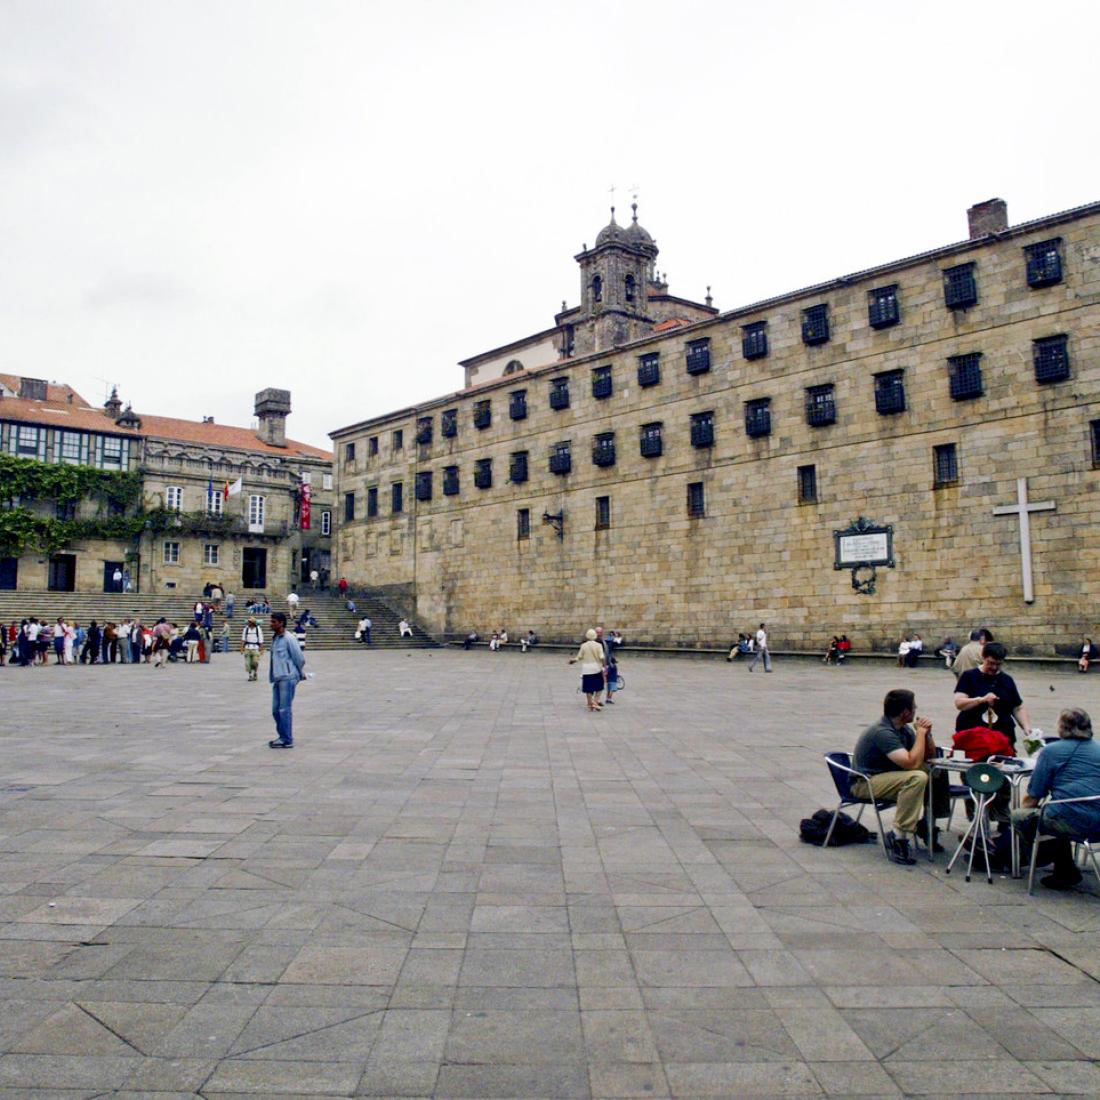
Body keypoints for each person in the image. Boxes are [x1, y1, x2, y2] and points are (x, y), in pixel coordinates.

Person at [852, 688, 952, 865]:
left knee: (936, 770)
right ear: (906, 712)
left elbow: (929, 757)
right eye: (914, 707)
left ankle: (927, 824)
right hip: (865, 783)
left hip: (889, 777)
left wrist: (927, 735)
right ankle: (899, 837)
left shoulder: (903, 729)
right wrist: (920, 733)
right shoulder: (883, 732)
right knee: (917, 777)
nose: (916, 709)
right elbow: (911, 763)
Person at [1012, 707, 1100, 890]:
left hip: (1071, 819)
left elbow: (1034, 795)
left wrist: (1026, 809)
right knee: (1057, 811)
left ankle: (1047, 860)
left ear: (1063, 727)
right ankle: (1062, 866)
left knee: (1021, 816)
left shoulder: (1052, 751)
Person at [954, 641, 1033, 747]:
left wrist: (1027, 728)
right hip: (972, 734)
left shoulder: (1007, 680)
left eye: (998, 664)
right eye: (990, 663)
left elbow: (1017, 707)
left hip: (1002, 735)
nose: (994, 667)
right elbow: (959, 703)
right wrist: (980, 700)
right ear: (983, 657)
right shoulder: (969, 676)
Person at [268, 611, 305, 748]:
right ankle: (282, 735)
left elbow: (299, 658)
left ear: (281, 623)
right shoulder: (276, 638)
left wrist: (297, 673)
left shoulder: (289, 638)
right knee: (275, 710)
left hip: (288, 678)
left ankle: (286, 739)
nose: (271, 624)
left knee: (284, 709)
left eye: (274, 622)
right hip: (278, 677)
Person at [570, 628, 607, 711]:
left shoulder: (583, 645)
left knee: (588, 687)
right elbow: (602, 657)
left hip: (586, 669)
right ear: (595, 636)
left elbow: (579, 657)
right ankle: (595, 701)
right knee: (599, 686)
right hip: (597, 668)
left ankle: (591, 704)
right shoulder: (598, 645)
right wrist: (604, 667)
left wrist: (573, 661)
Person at [241, 616, 264, 681]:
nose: (249, 622)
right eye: (249, 621)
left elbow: (261, 639)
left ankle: (255, 672)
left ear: (253, 622)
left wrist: (261, 649)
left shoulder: (258, 629)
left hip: (255, 648)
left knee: (255, 662)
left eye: (250, 621)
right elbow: (243, 639)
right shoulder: (246, 629)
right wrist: (242, 648)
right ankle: (250, 675)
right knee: (248, 663)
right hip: (247, 647)